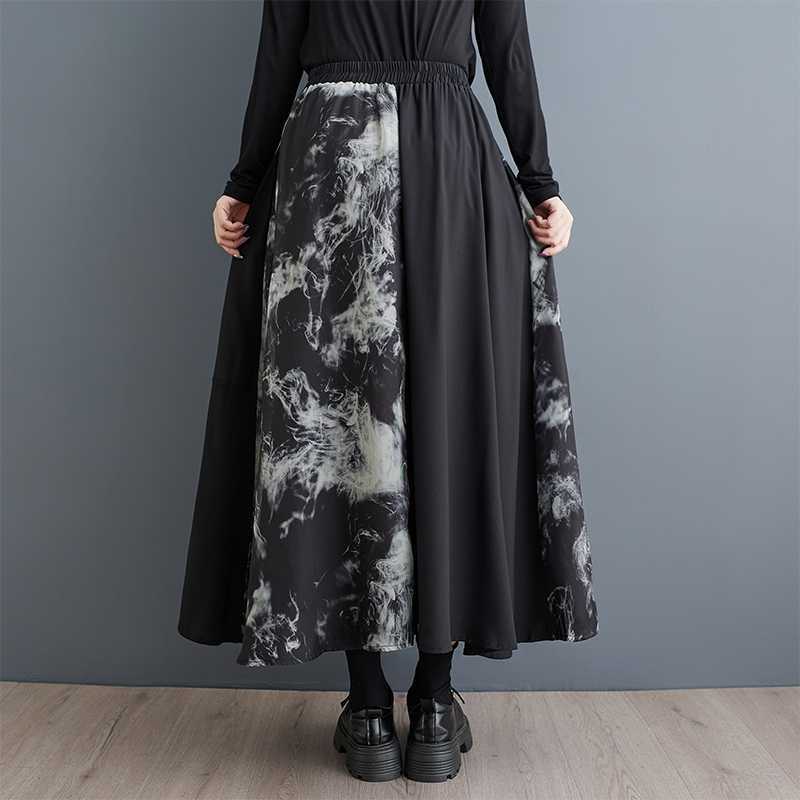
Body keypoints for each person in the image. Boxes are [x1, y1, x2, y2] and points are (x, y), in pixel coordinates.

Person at [178, 0, 598, 784]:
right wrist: (541, 182)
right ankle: (434, 703)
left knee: (345, 432)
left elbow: (278, 53)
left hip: (329, 159)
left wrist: (243, 182)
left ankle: (369, 708)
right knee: (450, 413)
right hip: (449, 158)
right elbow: (507, 53)